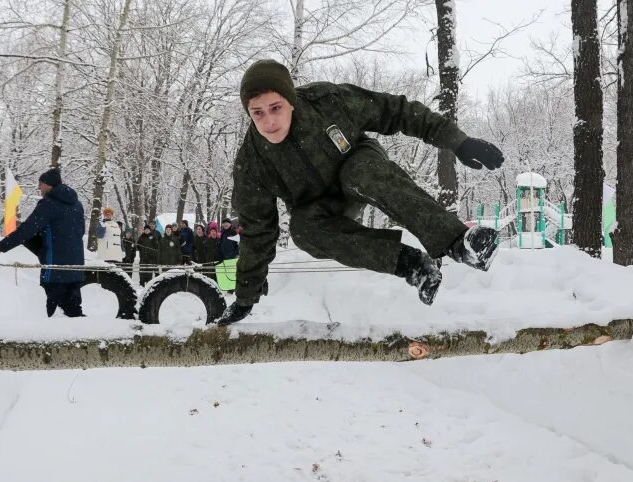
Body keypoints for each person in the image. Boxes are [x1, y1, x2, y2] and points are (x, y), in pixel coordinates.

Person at [216, 59, 504, 325]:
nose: (268, 122)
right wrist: (245, 297)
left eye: (275, 108)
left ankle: (458, 242)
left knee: (359, 173)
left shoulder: (328, 103)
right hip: (321, 207)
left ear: (290, 101)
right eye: (258, 113)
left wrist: (459, 142)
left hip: (360, 165)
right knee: (302, 230)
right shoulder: (252, 161)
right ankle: (413, 265)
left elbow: (396, 111)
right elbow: (258, 230)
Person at [0, 168, 86, 318]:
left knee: (50, 313)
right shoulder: (77, 204)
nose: (38, 187)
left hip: (55, 268)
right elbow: (80, 231)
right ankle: (83, 336)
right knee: (73, 309)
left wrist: (2, 245)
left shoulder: (49, 204)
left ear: (49, 185)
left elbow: (27, 230)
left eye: (41, 183)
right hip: (75, 266)